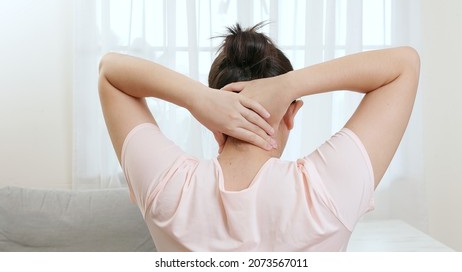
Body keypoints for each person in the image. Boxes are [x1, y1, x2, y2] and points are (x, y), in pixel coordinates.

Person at [98, 23, 420, 251]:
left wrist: (196, 97)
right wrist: (289, 85)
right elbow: (404, 64)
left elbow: (110, 72)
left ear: (212, 116)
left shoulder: (167, 187)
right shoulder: (324, 192)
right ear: (291, 114)